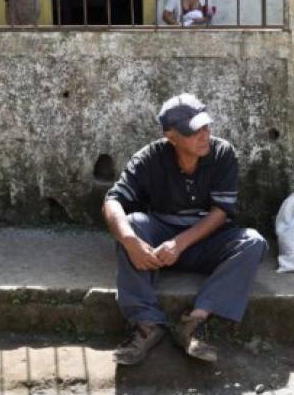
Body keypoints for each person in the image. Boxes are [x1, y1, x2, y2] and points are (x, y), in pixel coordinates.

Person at [103, 94, 267, 365]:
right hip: (158, 247)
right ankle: (146, 325)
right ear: (171, 136)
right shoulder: (150, 158)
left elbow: (220, 212)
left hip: (206, 242)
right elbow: (113, 201)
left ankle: (194, 323)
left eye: (206, 127)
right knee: (131, 224)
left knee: (253, 242)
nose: (204, 135)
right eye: (194, 132)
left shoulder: (223, 153)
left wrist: (180, 243)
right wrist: (130, 239)